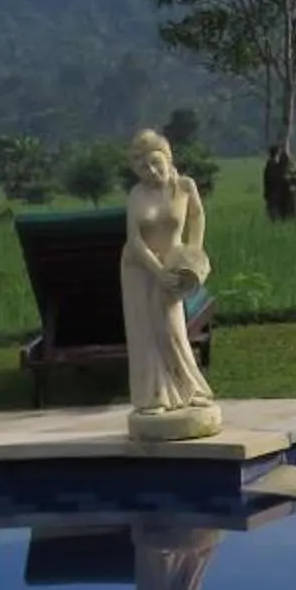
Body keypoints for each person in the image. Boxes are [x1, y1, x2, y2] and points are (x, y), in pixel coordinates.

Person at [119, 128, 216, 428]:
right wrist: (156, 271)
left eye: (155, 163)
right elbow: (135, 240)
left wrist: (193, 252)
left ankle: (192, 387)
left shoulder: (185, 187)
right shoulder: (137, 195)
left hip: (173, 265)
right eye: (143, 167)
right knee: (145, 332)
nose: (151, 171)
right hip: (140, 269)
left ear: (167, 158)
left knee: (171, 328)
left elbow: (198, 216)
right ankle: (154, 396)